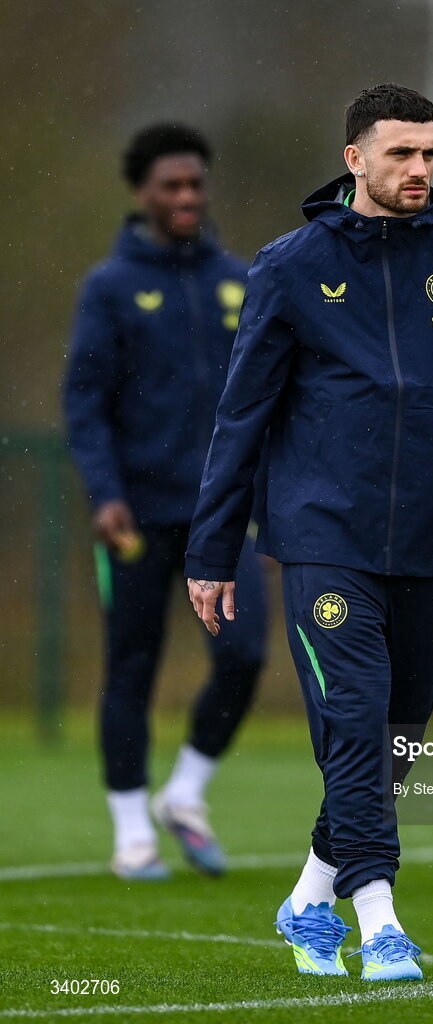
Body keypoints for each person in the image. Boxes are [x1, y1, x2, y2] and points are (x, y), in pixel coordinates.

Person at [185, 83, 433, 982]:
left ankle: (311, 896)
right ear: (355, 160)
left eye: (429, 153)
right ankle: (379, 923)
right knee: (353, 726)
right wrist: (211, 551)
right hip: (320, 540)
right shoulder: (290, 268)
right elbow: (241, 417)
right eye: (401, 154)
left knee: (395, 742)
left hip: (422, 547)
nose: (419, 168)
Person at [63, 124, 268, 881]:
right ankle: (131, 834)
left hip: (222, 515)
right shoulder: (110, 288)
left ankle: (184, 794)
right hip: (138, 519)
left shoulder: (240, 280)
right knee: (132, 668)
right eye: (171, 186)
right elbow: (84, 402)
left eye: (196, 184)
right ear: (143, 192)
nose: (186, 197)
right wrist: (106, 493)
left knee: (245, 656)